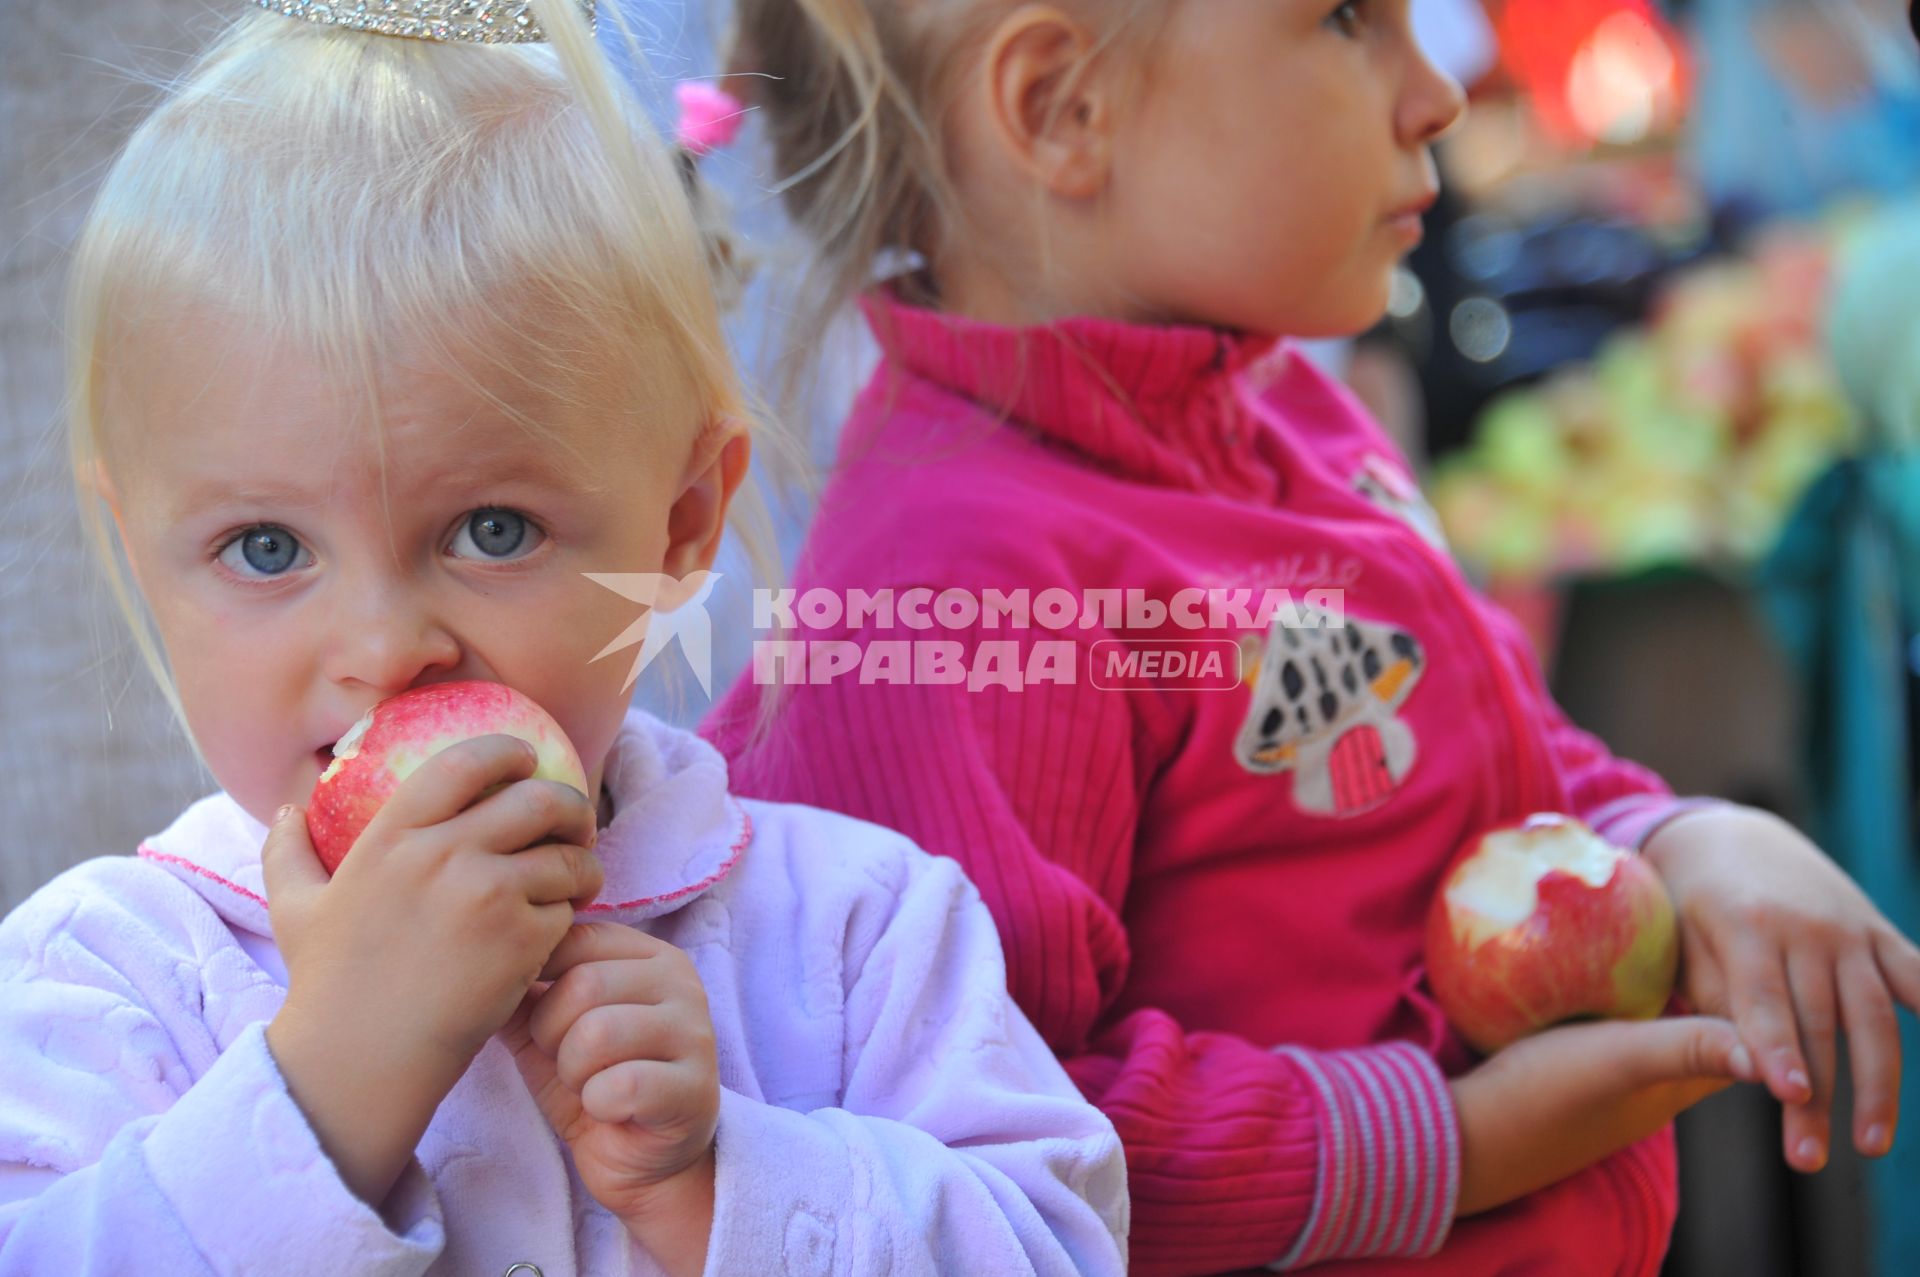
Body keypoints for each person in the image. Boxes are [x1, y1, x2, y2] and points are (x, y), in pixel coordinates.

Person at [703, 1, 1920, 1271]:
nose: (1436, 92)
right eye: (1349, 19)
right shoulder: (954, 585)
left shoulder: (1283, 416)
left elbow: (1478, 756)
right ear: (1061, 111)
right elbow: (953, 1133)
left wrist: (1676, 836)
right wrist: (1450, 1141)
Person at [0, 3, 1129, 1272]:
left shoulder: (859, 933)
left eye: (490, 528)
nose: (385, 646)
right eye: (267, 547)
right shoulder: (101, 977)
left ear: (683, 518)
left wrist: (720, 1178)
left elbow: (1061, 1243)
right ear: (143, 552)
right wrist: (325, 1086)